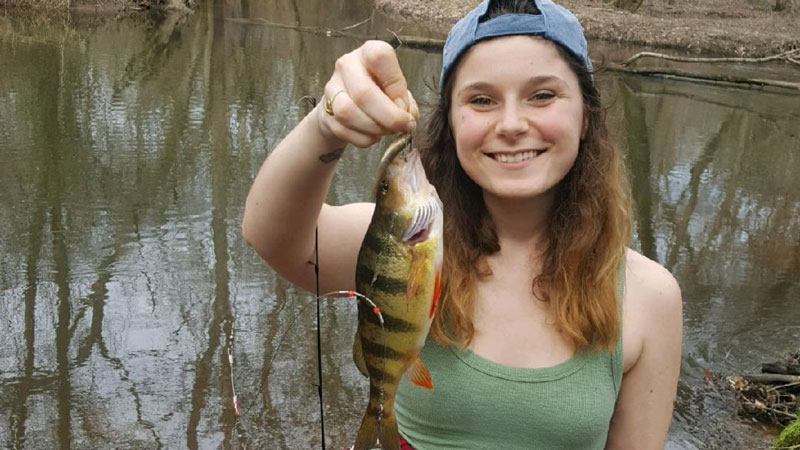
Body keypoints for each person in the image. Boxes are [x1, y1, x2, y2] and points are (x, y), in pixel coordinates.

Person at [242, 0, 683, 448]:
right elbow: (270, 235)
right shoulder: (399, 242)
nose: (511, 124)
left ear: (586, 115)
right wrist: (325, 124)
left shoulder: (651, 297)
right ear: (450, 123)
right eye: (481, 100)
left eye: (543, 95)